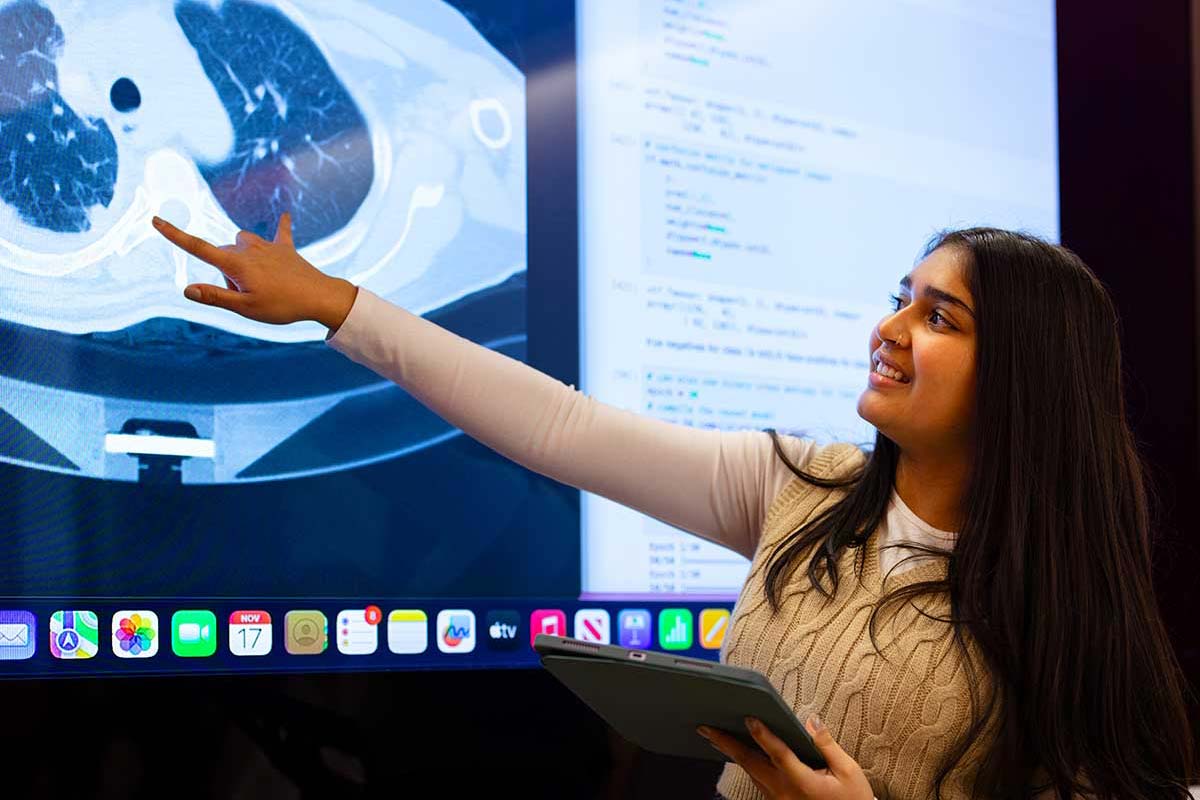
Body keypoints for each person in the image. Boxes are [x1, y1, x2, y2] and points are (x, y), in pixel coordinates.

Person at [151, 214, 1196, 799]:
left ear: (1024, 377)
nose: (891, 327)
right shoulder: (805, 485)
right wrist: (339, 304)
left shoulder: (1068, 606)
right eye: (900, 295)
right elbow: (560, 429)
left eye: (940, 315)